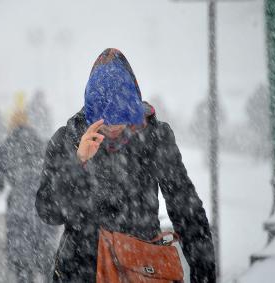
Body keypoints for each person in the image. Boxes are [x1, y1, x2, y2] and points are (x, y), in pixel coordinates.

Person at [36, 48, 216, 283]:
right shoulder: (68, 140)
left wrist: (204, 274)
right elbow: (48, 212)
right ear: (91, 113)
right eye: (105, 121)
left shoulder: (154, 137)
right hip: (82, 271)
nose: (112, 128)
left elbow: (186, 208)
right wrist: (76, 163)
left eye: (120, 118)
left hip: (142, 268)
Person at [0, 107, 58, 283]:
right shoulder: (43, 143)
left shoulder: (5, 147)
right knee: (48, 266)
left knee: (23, 268)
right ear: (28, 124)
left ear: (10, 126)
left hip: (19, 213)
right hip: (45, 209)